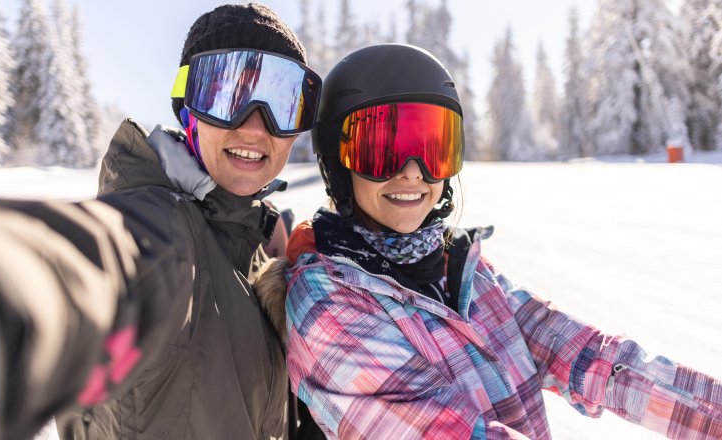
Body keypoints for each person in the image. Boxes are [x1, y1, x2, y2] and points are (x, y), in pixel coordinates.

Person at [283, 44, 722, 439]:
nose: (414, 171)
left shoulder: (460, 270)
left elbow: (591, 358)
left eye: (433, 146)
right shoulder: (326, 300)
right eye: (382, 150)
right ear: (337, 163)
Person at [0, 3, 322, 439]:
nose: (254, 127)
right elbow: (96, 263)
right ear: (188, 108)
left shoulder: (264, 248)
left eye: (283, 104)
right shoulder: (164, 231)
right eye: (226, 94)